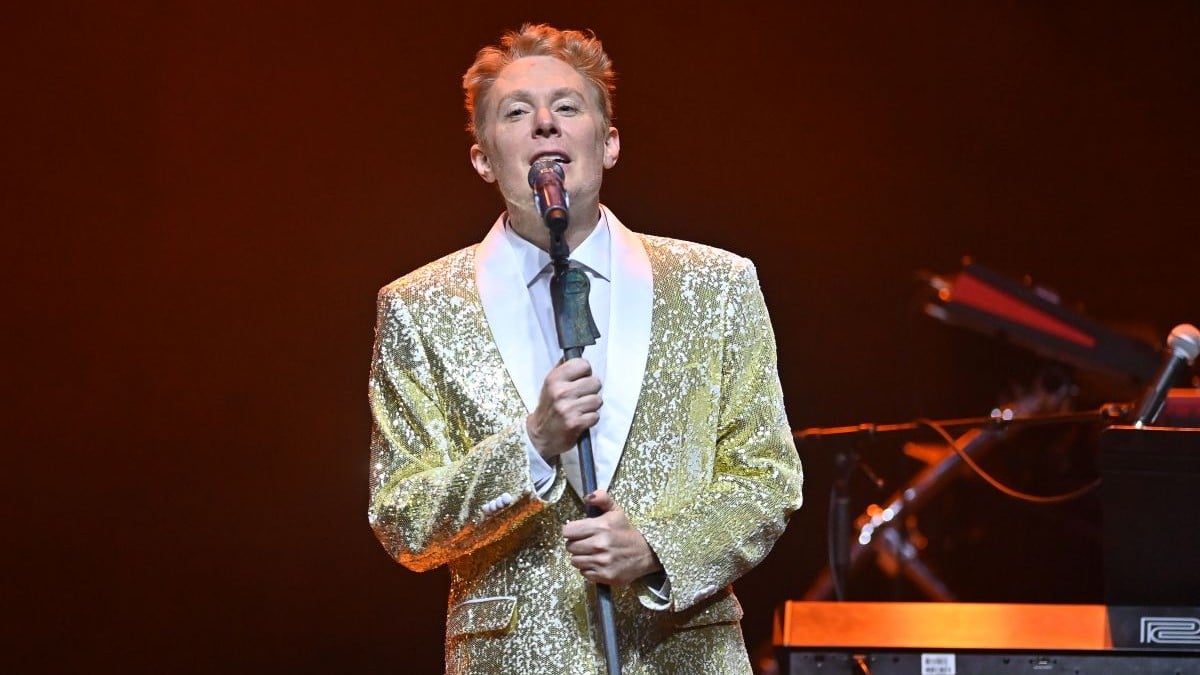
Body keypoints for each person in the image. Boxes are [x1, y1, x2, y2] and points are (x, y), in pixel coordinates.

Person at [368, 23, 803, 674]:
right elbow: (402, 517)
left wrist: (658, 545)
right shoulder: (421, 307)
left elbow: (767, 475)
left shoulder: (716, 285)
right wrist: (530, 446)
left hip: (684, 653)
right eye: (517, 112)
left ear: (610, 143)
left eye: (568, 106)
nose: (545, 123)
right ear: (483, 156)